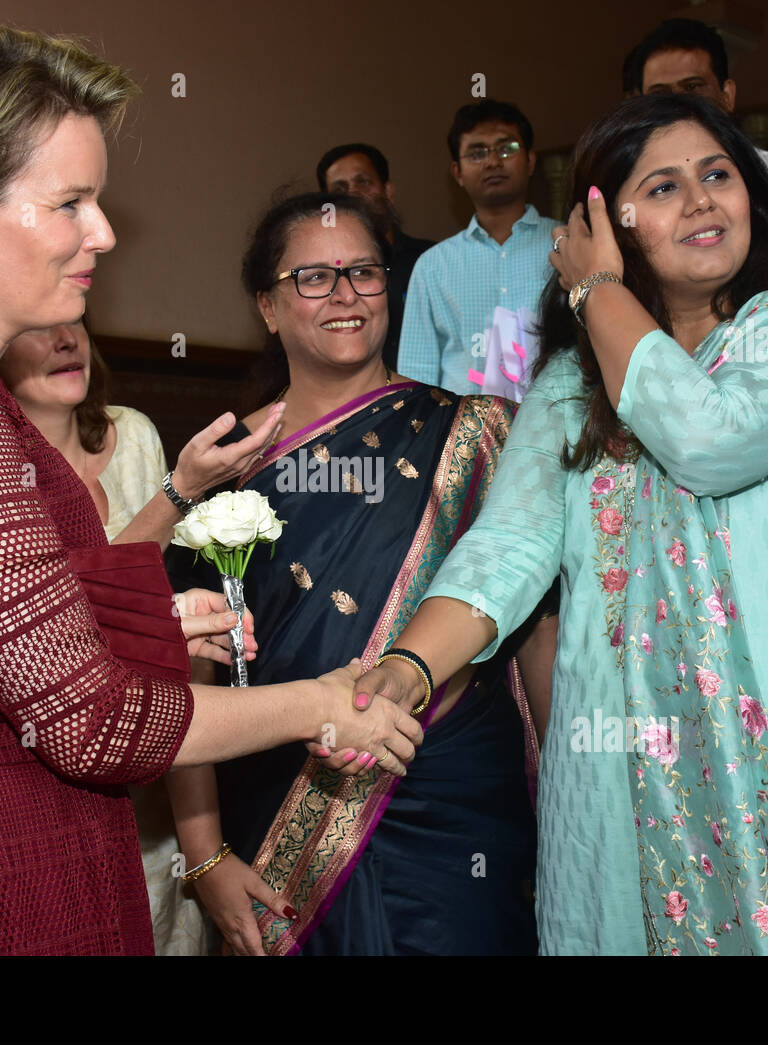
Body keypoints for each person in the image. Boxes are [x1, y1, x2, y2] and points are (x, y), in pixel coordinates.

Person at [0, 19, 421, 956]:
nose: (105, 232)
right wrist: (321, 703)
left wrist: (137, 619)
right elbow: (89, 721)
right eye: (71, 203)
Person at [353, 94, 768, 955]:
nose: (704, 200)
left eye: (718, 176)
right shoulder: (572, 386)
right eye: (665, 187)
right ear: (610, 220)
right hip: (617, 775)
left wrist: (594, 286)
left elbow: (704, 436)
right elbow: (506, 549)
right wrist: (408, 670)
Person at [165, 192, 540, 956]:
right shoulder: (225, 468)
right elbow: (185, 670)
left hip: (452, 797)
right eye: (313, 277)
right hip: (272, 812)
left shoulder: (475, 431)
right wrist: (204, 853)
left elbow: (533, 625)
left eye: (363, 272)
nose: (344, 294)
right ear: (268, 307)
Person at [0, 319, 276, 953]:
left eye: (75, 326)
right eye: (40, 330)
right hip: (47, 784)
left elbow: (177, 654)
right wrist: (179, 492)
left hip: (157, 784)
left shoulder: (135, 436)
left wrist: (203, 848)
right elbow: (61, 623)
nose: (66, 342)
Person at [621, 18, 768, 287]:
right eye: (661, 94)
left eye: (692, 87)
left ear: (727, 95)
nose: (678, 106)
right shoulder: (630, 188)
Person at [396, 100, 555, 395]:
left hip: (559, 430)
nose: (493, 162)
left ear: (531, 161)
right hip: (464, 435)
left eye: (506, 149)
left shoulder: (566, 244)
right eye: (477, 153)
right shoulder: (433, 266)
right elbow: (416, 380)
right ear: (457, 172)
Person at [315, 143, 434, 371]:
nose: (352, 193)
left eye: (363, 182)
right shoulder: (317, 274)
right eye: (339, 190)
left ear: (388, 192)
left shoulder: (430, 261)